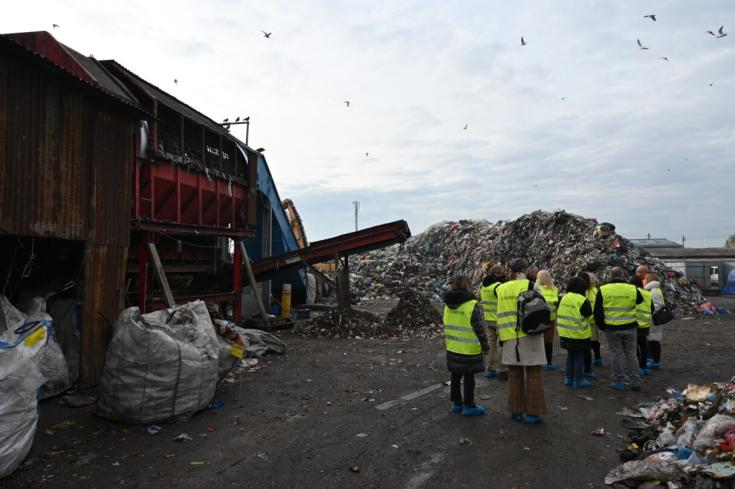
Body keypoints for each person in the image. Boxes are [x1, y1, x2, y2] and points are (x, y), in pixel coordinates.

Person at [497, 259, 547, 424]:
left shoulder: (502, 288)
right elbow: (541, 308)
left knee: (514, 374)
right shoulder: (532, 286)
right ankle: (533, 413)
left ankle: (516, 411)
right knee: (534, 373)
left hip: (509, 336)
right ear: (524, 270)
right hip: (530, 334)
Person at [443, 275, 490, 416]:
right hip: (469, 347)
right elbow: (479, 328)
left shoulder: (447, 304)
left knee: (455, 375)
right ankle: (469, 406)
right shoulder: (471, 304)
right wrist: (485, 346)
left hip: (453, 346)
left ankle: (456, 403)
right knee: (469, 376)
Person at [594, 267, 644, 391]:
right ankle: (635, 382)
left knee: (617, 355)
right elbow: (640, 300)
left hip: (612, 328)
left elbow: (597, 311)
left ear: (610, 276)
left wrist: (602, 326)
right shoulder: (632, 288)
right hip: (630, 326)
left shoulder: (603, 290)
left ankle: (619, 381)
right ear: (622, 275)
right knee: (632, 355)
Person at [557, 277, 594, 388]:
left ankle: (569, 378)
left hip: (565, 333)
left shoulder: (564, 297)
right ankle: (578, 380)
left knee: (571, 355)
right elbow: (589, 315)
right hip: (579, 334)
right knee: (579, 356)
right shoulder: (582, 300)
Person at [479, 264, 507, 379]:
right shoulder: (498, 287)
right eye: (502, 272)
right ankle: (503, 369)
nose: (504, 274)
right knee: (501, 345)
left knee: (491, 345)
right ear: (497, 274)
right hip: (499, 319)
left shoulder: (483, 287)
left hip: (488, 319)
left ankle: (489, 368)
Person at [534, 270, 559, 371]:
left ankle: (538, 361)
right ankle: (548, 362)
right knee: (548, 341)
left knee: (539, 340)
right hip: (551, 319)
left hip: (539, 318)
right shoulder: (554, 289)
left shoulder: (536, 289)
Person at [631, 276, 653, 376]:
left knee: (634, 348)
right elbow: (652, 308)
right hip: (645, 324)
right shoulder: (648, 294)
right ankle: (644, 367)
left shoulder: (632, 293)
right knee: (643, 345)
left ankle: (637, 367)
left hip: (634, 323)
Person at [645, 273, 665, 369]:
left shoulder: (653, 291)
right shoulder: (656, 289)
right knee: (652, 340)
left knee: (653, 340)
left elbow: (657, 306)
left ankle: (655, 361)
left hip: (653, 320)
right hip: (655, 320)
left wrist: (649, 315)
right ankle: (653, 360)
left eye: (646, 279)